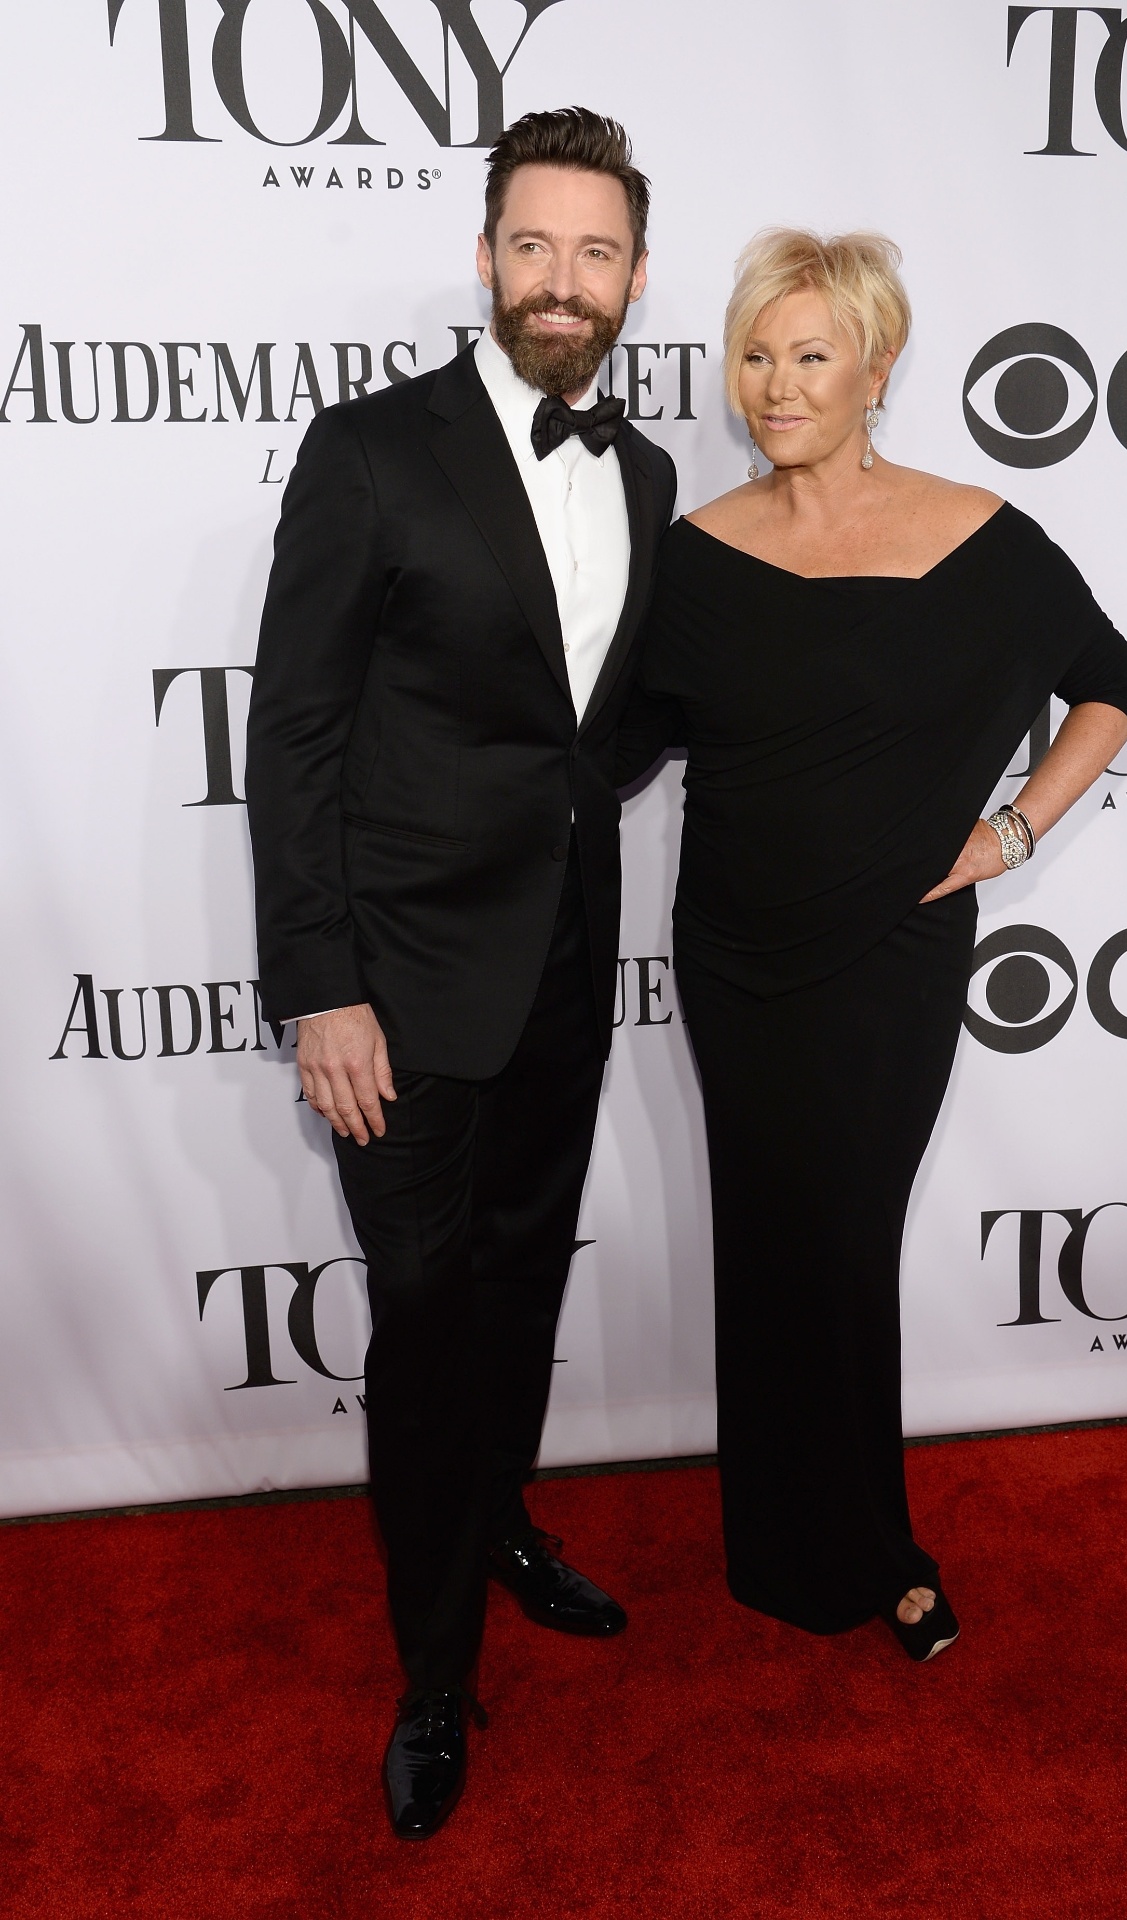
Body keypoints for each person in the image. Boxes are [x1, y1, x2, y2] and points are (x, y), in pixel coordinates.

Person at [616, 229, 1127, 1662]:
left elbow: (1108, 688)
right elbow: (610, 747)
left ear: (876, 368)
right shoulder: (691, 556)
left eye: (808, 355)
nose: (775, 384)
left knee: (842, 1247)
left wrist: (1010, 834)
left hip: (884, 970)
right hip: (731, 956)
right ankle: (787, 1548)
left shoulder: (979, 537)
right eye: (754, 353)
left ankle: (875, 1545)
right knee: (772, 1247)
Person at [245, 108, 676, 1840]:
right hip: (400, 997)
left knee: (516, 1293)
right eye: (533, 246)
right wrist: (317, 984)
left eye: (595, 254)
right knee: (423, 1328)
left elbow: (610, 726)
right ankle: (434, 1674)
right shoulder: (368, 452)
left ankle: (499, 1520)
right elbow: (295, 735)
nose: (561, 284)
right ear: (485, 257)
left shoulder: (642, 473)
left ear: (633, 278)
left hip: (569, 967)